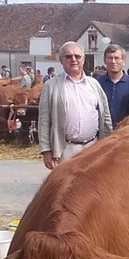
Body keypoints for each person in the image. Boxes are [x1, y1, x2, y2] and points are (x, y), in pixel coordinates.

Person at [38, 41, 113, 170]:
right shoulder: (51, 86)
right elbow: (44, 120)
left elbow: (105, 116)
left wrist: (108, 144)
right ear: (61, 60)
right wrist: (46, 151)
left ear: (83, 59)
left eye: (77, 56)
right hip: (65, 150)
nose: (73, 59)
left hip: (93, 147)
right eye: (68, 56)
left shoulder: (94, 84)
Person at [96, 45, 129, 128]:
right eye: (110, 58)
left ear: (123, 61)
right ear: (104, 61)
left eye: (117, 58)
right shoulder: (97, 84)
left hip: (125, 132)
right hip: (102, 132)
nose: (113, 61)